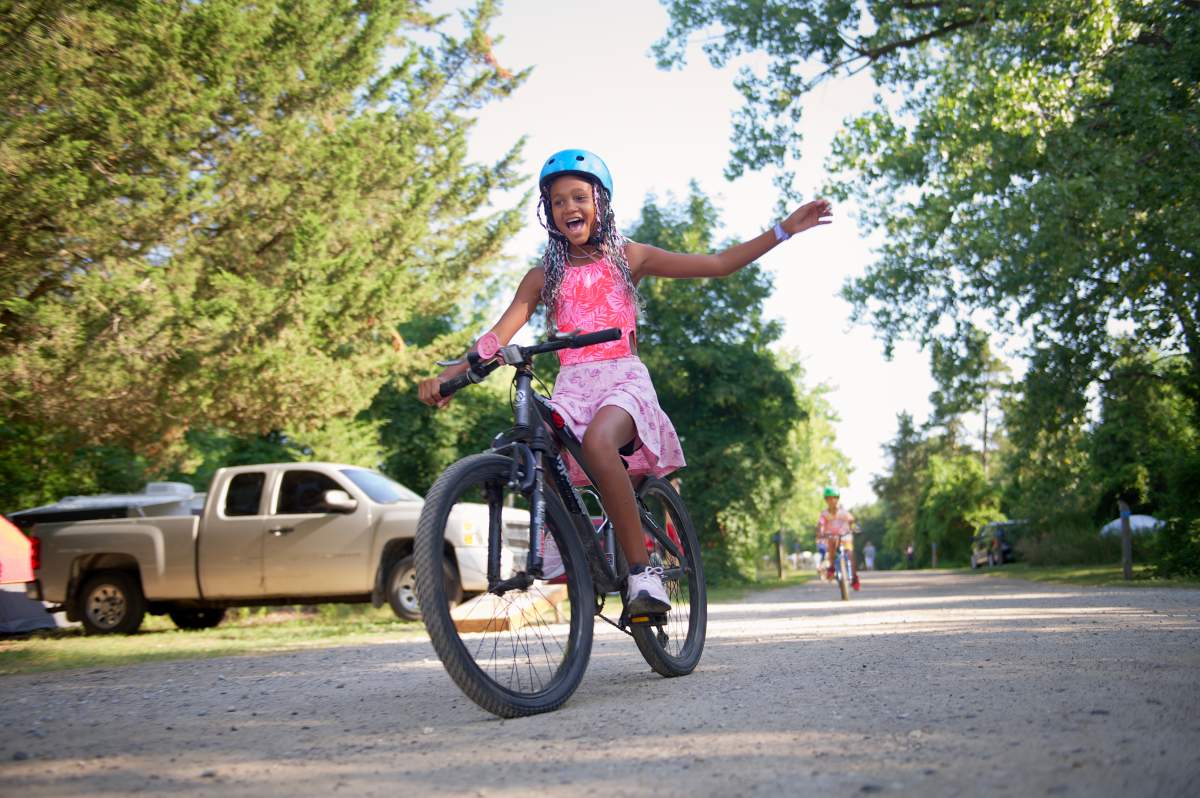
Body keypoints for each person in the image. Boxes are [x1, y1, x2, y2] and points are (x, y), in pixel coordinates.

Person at [419, 149, 832, 614]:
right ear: (548, 213)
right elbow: (496, 336)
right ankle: (562, 540)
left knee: (598, 444)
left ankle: (641, 575)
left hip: (622, 379)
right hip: (573, 386)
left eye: (579, 196)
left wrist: (784, 229)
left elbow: (717, 264)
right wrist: (452, 374)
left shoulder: (627, 257)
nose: (569, 207)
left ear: (600, 202)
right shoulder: (541, 277)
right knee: (540, 442)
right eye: (557, 201)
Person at [816, 486, 859, 590]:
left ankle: (854, 577)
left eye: (834, 498)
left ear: (837, 498)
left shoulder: (843, 512)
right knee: (831, 544)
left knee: (850, 554)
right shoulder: (825, 514)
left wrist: (855, 527)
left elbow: (851, 520)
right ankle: (832, 567)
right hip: (831, 536)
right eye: (829, 498)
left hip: (845, 536)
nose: (832, 500)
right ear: (826, 500)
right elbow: (820, 524)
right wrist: (820, 532)